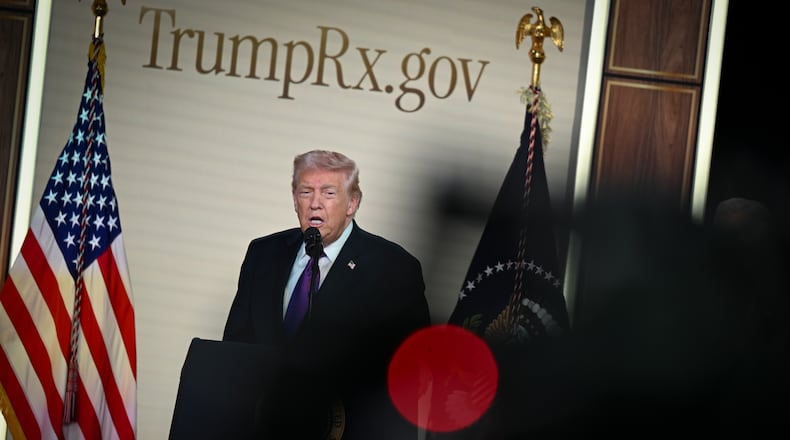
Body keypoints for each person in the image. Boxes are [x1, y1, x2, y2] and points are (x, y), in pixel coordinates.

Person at [222, 149, 431, 439]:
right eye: (306, 192)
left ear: (352, 203)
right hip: (259, 426)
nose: (315, 204)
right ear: (295, 200)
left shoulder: (394, 267)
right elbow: (234, 347)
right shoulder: (263, 253)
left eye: (329, 193)